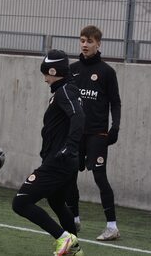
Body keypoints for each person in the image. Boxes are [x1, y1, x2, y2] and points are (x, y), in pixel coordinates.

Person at [12, 49, 85, 256]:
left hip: (59, 162)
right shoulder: (66, 91)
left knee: (21, 202)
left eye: (46, 74)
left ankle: (64, 238)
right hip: (63, 161)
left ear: (54, 71)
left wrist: (69, 148)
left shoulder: (65, 92)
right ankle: (75, 250)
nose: (45, 79)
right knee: (56, 202)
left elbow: (78, 118)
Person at [65, 25, 121, 241]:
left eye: (89, 41)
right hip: (76, 133)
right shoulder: (73, 69)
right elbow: (66, 99)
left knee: (100, 176)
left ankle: (112, 226)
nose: (85, 45)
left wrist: (115, 126)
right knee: (69, 175)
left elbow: (115, 102)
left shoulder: (107, 72)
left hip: (97, 134)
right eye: (82, 41)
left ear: (99, 44)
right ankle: (75, 220)